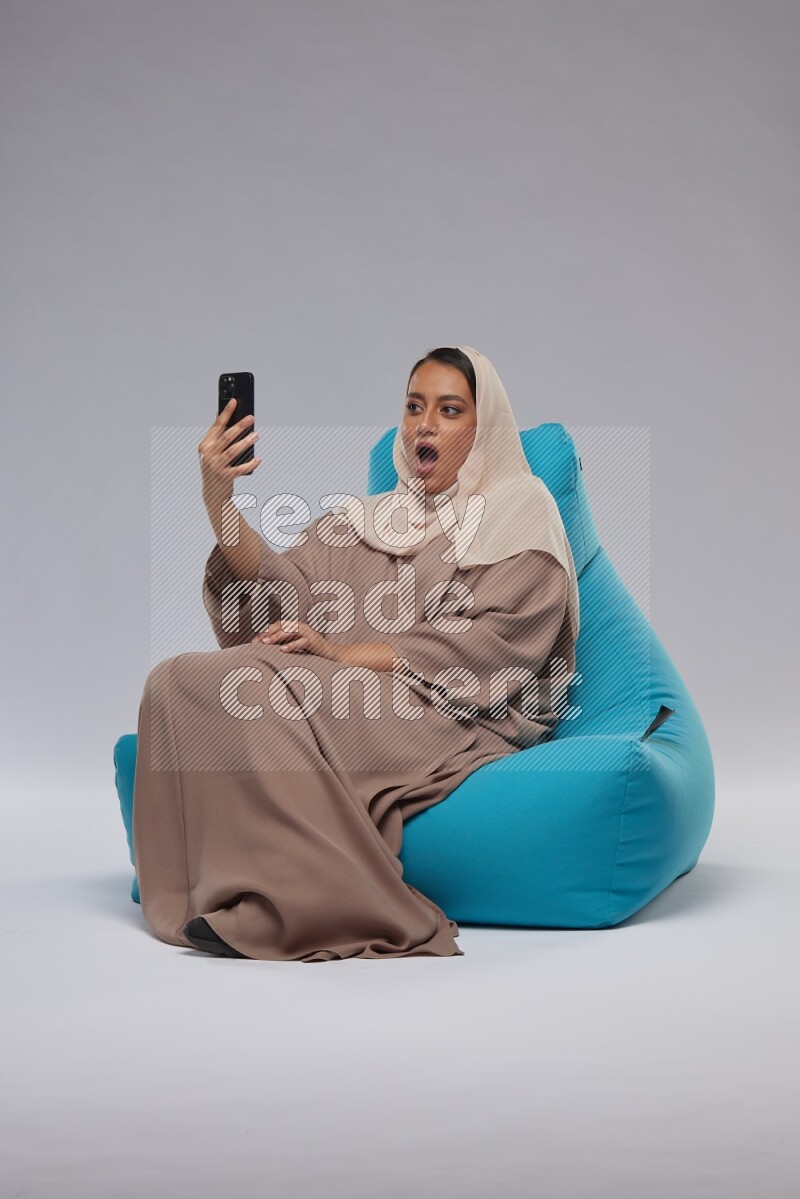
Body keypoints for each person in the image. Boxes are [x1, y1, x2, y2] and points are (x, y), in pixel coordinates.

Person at [132, 345, 580, 961]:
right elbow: (280, 597)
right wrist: (220, 504)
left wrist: (341, 654)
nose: (425, 424)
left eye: (450, 410)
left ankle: (311, 905)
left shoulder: (519, 510)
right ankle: (216, 891)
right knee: (176, 680)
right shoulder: (366, 519)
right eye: (414, 407)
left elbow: (495, 646)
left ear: (484, 428)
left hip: (452, 708)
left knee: (266, 694)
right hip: (351, 688)